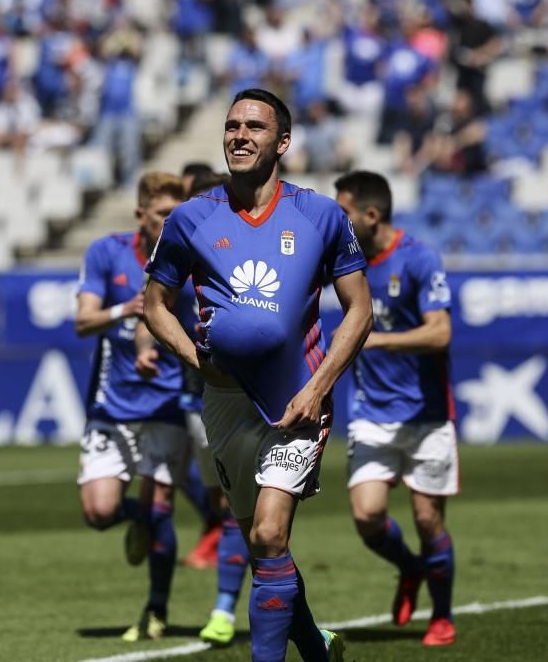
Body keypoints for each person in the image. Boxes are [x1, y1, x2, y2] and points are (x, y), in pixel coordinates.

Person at [143, 88, 372, 662]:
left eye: (254, 127)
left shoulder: (319, 213)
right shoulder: (191, 217)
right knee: (263, 549)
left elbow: (360, 309)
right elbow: (154, 304)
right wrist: (194, 360)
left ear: (283, 142)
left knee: (271, 535)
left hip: (296, 401)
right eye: (231, 126)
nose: (239, 136)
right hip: (223, 404)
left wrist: (318, 387)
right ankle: (316, 649)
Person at [334, 170, 458, 647]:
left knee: (428, 520)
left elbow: (440, 332)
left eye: (344, 212)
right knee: (367, 517)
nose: (337, 222)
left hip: (426, 416)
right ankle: (411, 569)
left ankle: (442, 616)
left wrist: (376, 338)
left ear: (371, 214)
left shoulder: (419, 258)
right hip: (370, 413)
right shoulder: (344, 261)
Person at [74, 171, 195, 642]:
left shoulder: (190, 253)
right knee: (99, 512)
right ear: (140, 215)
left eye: (176, 215)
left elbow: (158, 308)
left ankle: (157, 608)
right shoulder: (106, 252)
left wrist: (149, 346)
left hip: (167, 402)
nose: (170, 223)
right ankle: (139, 519)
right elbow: (84, 322)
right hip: (112, 404)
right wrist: (120, 312)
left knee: (162, 506)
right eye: (163, 214)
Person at [136, 169, 250, 645]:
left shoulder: (252, 244)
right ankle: (168, 603)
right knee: (222, 504)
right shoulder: (182, 246)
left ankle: (224, 608)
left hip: (254, 394)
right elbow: (154, 304)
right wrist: (152, 344)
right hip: (196, 397)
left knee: (244, 509)